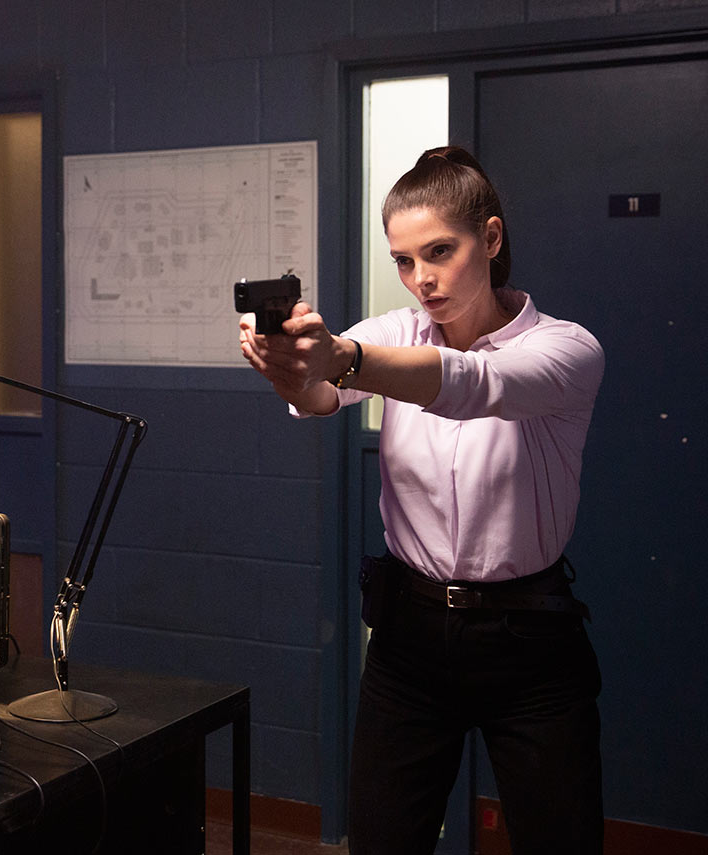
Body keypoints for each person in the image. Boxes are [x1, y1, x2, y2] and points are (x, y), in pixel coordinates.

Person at [239, 146, 605, 853]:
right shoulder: (393, 332)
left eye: (440, 251)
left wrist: (342, 358)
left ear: (489, 239)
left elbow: (475, 383)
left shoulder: (566, 348)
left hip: (530, 642)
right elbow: (320, 396)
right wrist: (290, 366)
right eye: (404, 261)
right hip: (409, 637)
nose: (421, 279)